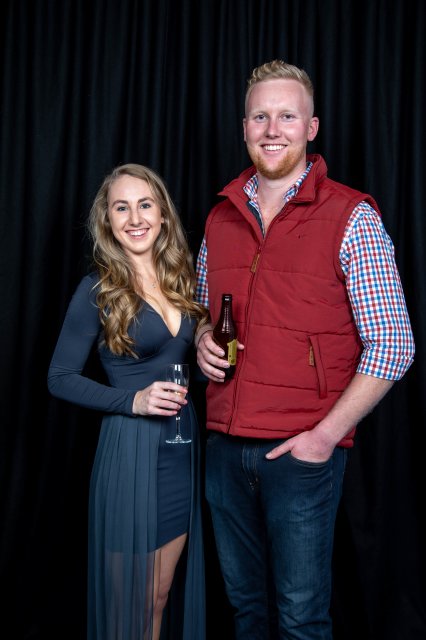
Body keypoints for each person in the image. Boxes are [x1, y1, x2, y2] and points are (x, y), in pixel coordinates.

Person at [195, 60, 415, 640]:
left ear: (311, 128)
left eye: (287, 117)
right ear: (244, 127)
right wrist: (200, 339)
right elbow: (200, 310)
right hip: (223, 449)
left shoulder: (351, 215)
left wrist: (323, 438)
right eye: (260, 117)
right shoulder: (220, 217)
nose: (273, 130)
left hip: (301, 455)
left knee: (300, 620)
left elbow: (394, 344)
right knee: (246, 614)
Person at [48, 163, 208, 640]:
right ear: (108, 220)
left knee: (157, 596)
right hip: (130, 453)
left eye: (144, 205)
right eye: (122, 208)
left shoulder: (183, 278)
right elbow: (59, 378)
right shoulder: (98, 289)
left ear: (162, 215)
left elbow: (197, 354)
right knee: (130, 605)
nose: (135, 218)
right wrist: (132, 401)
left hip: (181, 452)